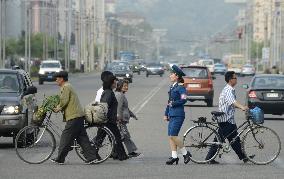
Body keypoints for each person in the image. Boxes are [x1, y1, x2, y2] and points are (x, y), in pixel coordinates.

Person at [51, 71, 98, 164]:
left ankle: (60, 158)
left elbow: (64, 101)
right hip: (78, 116)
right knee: (82, 139)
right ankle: (92, 157)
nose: (56, 80)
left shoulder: (66, 87)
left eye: (57, 78)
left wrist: (57, 108)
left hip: (74, 117)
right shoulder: (68, 86)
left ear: (61, 79)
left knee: (65, 138)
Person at [205, 71, 251, 164]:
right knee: (219, 140)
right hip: (225, 119)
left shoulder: (230, 89)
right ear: (230, 80)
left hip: (229, 119)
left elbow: (231, 103)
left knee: (235, 139)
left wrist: (240, 107)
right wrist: (242, 107)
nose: (236, 79)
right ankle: (209, 158)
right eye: (235, 78)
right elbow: (232, 102)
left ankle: (243, 157)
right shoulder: (228, 90)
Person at [164, 65, 191, 165]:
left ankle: (185, 153)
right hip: (172, 114)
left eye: (171, 74)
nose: (170, 75)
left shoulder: (181, 87)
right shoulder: (172, 87)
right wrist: (166, 113)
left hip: (178, 114)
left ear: (177, 76)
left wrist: (174, 103)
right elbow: (169, 101)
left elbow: (184, 99)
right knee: (170, 136)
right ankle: (174, 156)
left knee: (173, 136)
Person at [99, 72, 128, 161]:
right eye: (115, 82)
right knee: (114, 137)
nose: (116, 83)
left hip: (109, 119)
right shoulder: (108, 93)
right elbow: (105, 106)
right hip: (108, 120)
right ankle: (90, 152)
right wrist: (115, 116)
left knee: (103, 138)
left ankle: (122, 155)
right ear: (111, 83)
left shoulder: (109, 92)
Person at [115, 79, 140, 158]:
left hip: (122, 119)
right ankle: (131, 151)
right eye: (124, 86)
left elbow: (126, 108)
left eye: (127, 86)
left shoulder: (121, 94)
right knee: (125, 136)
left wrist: (132, 115)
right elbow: (118, 108)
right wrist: (119, 118)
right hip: (120, 120)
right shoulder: (119, 95)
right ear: (120, 86)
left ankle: (115, 153)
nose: (126, 87)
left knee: (123, 136)